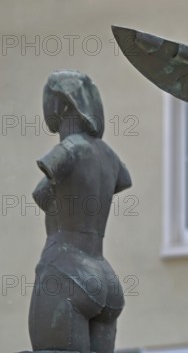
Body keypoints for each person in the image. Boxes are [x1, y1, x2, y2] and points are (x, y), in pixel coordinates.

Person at [29, 70, 132, 353]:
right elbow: (123, 180)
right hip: (104, 277)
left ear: (61, 105)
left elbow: (39, 193)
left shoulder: (68, 149)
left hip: (64, 269)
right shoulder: (110, 157)